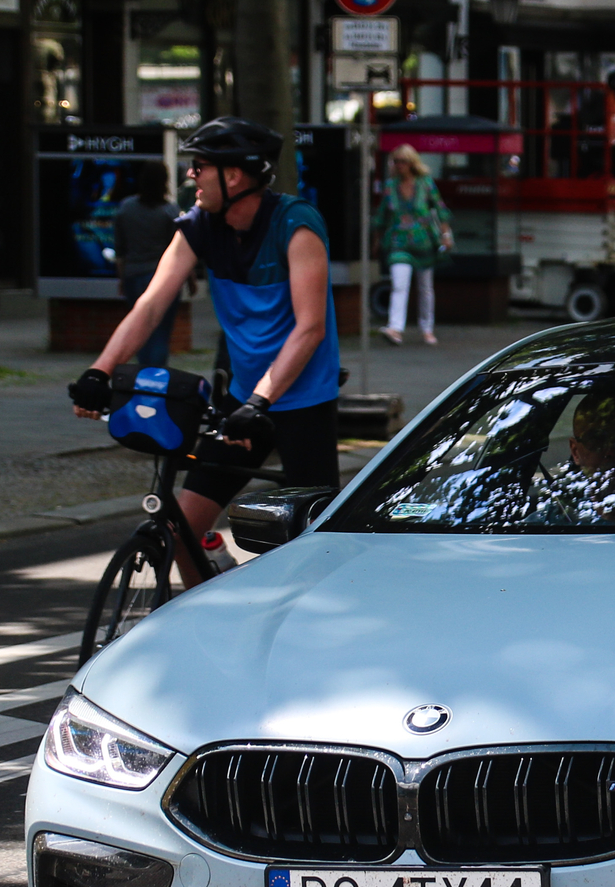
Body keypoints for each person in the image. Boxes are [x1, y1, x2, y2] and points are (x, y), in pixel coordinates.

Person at [70, 117, 340, 577]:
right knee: (179, 530)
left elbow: (310, 328)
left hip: (302, 403)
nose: (190, 176)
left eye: (200, 166)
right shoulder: (200, 226)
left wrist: (262, 400)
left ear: (233, 176)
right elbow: (152, 305)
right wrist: (100, 370)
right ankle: (211, 627)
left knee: (317, 547)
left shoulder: (296, 225)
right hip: (241, 401)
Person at [373, 143, 452, 347]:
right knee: (399, 284)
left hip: (424, 242)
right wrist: (377, 239)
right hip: (399, 242)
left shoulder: (425, 184)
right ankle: (395, 328)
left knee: (425, 287)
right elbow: (383, 214)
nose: (399, 165)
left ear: (411, 163)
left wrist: (445, 234)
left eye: (403, 161)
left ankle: (427, 328)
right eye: (396, 161)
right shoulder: (390, 187)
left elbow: (440, 208)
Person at [112, 162, 181, 367]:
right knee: (161, 330)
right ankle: (157, 376)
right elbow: (179, 248)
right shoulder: (170, 211)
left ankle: (143, 374)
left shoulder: (127, 208)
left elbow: (120, 248)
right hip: (163, 277)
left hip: (134, 275)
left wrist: (122, 278)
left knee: (140, 329)